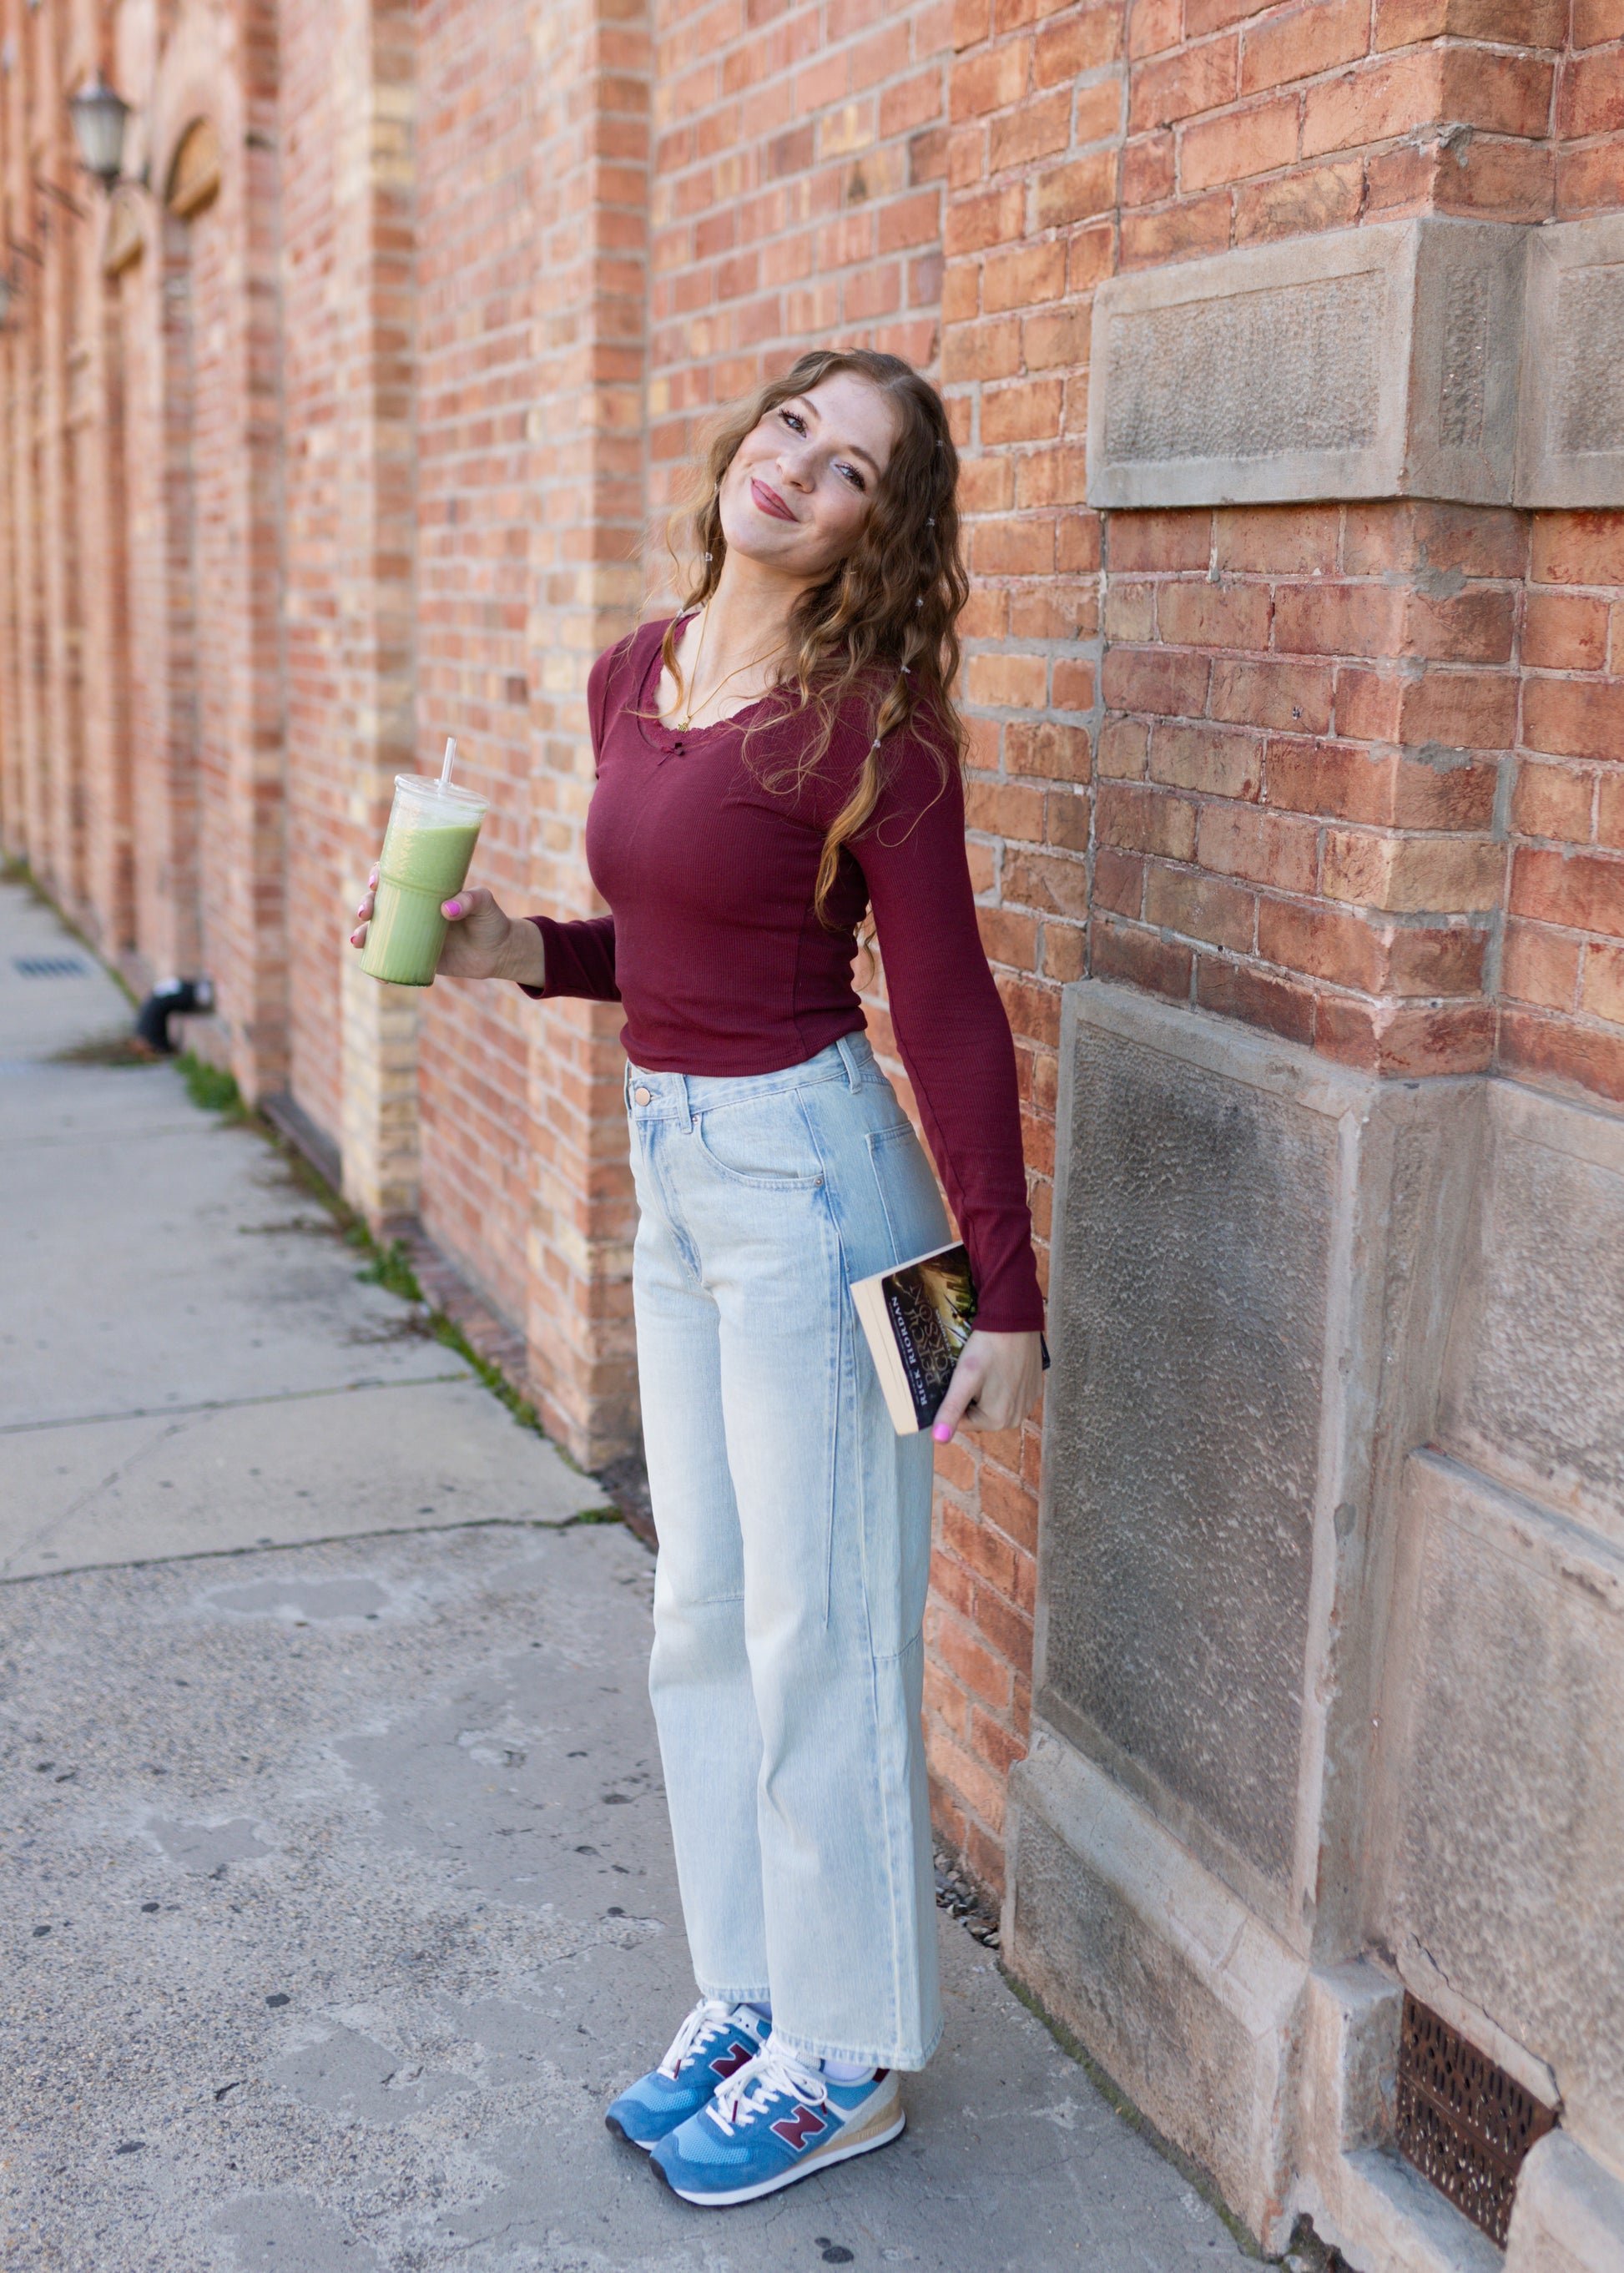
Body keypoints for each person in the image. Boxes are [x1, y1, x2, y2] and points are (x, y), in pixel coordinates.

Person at [348, 347, 1046, 2207]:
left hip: (828, 1196)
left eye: (851, 470)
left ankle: (851, 2049)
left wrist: (1005, 1294)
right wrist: (507, 948)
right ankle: (754, 1991)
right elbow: (664, 946)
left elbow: (947, 1009)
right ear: (750, 439)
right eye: (794, 426)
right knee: (703, 1614)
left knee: (827, 1626)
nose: (799, 467)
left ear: (876, 534)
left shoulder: (878, 733)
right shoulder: (635, 674)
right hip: (679, 1179)